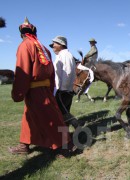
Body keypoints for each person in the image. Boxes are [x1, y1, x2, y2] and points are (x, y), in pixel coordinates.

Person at [9, 17, 72, 155]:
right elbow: (51, 73)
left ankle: (66, 145)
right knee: (29, 116)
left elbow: (23, 71)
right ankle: (24, 145)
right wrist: (50, 89)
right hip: (44, 89)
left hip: (35, 90)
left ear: (21, 34)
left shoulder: (25, 45)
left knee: (50, 117)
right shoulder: (44, 49)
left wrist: (18, 93)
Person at [49, 36, 78, 128]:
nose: (52, 46)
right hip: (64, 90)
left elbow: (68, 72)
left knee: (62, 112)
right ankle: (64, 135)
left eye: (54, 44)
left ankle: (77, 126)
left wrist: (63, 90)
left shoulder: (64, 55)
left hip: (62, 90)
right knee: (63, 113)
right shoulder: (63, 55)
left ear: (61, 44)